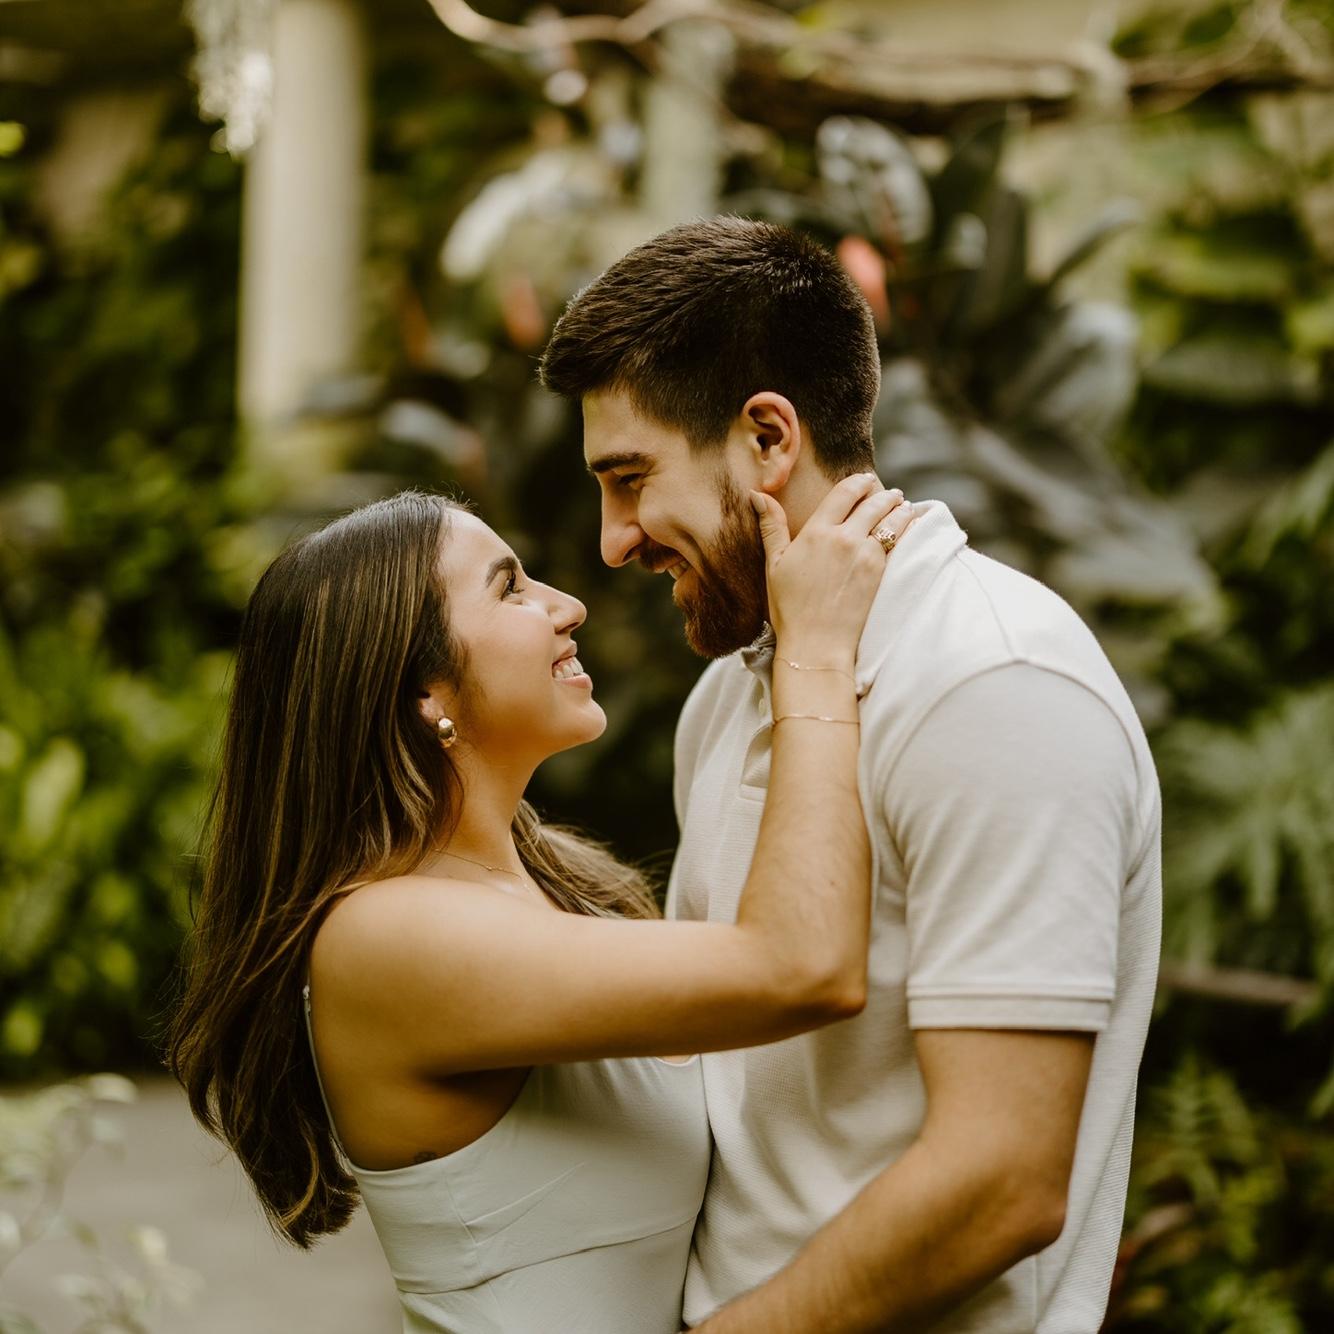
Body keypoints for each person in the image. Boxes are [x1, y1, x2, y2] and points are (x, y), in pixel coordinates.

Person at [540, 216, 1162, 1332]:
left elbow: (1003, 1179)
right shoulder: (727, 694)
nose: (612, 540)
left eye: (630, 478)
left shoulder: (994, 683)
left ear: (766, 438)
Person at [166, 480, 918, 1334]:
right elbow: (801, 966)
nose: (568, 606)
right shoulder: (386, 937)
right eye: (510, 589)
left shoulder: (559, 882)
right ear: (424, 692)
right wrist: (812, 655)